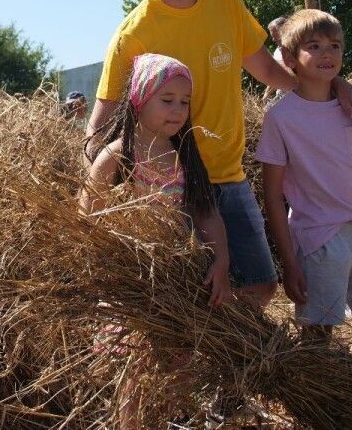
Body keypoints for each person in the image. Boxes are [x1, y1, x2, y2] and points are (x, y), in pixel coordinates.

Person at [88, 0, 352, 309]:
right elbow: (100, 122)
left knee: (258, 285)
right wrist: (103, 194)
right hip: (168, 184)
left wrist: (335, 85)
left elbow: (271, 72)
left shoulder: (225, 2)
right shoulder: (134, 33)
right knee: (185, 295)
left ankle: (228, 364)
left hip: (227, 173)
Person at [81, 53, 232, 428]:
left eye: (184, 102)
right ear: (139, 100)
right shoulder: (117, 155)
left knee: (176, 364)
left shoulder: (184, 156)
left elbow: (206, 213)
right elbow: (86, 216)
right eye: (167, 100)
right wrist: (111, 261)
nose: (178, 109)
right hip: (130, 280)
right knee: (133, 368)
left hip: (172, 279)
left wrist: (222, 261)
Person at [254, 9, 352, 353]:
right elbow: (272, 195)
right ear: (289, 58)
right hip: (318, 237)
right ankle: (323, 399)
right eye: (313, 46)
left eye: (334, 45)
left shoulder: (350, 108)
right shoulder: (280, 118)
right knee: (318, 333)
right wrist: (289, 263)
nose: (326, 53)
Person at [262, 16, 288, 101]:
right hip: (281, 96)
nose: (273, 39)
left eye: (275, 35)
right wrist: (266, 94)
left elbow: (282, 72)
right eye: (272, 36)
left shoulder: (298, 50)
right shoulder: (277, 51)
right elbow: (275, 73)